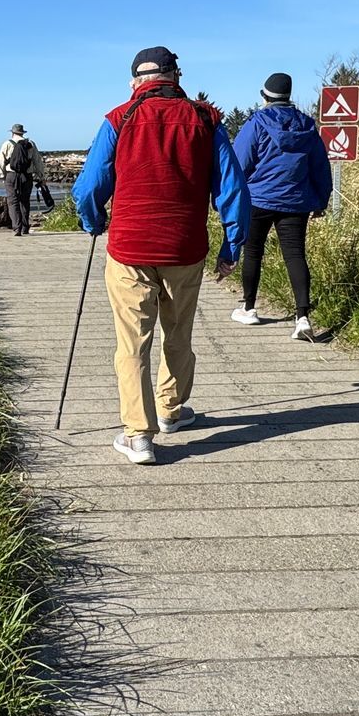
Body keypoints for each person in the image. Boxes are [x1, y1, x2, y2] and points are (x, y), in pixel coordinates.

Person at [73, 47, 250, 466]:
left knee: (132, 343)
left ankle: (138, 435)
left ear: (136, 81)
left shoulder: (119, 118)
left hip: (129, 249)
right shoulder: (206, 120)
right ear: (176, 77)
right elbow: (232, 189)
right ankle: (170, 410)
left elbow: (90, 185)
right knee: (178, 333)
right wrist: (232, 245)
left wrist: (92, 221)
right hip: (184, 249)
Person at [230, 72, 333, 341]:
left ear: (264, 96)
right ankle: (302, 318)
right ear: (289, 96)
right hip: (296, 201)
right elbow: (320, 167)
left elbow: (240, 163)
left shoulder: (256, 123)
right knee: (295, 255)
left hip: (258, 199)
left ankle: (249, 309)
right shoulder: (307, 126)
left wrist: (232, 197)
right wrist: (321, 200)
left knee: (253, 252)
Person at [0, 124, 49, 235]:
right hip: (26, 175)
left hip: (12, 175)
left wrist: (2, 175)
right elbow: (37, 161)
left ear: (12, 133)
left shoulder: (7, 144)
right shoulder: (30, 144)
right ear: (23, 133)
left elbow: (1, 161)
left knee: (13, 201)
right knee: (25, 201)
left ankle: (17, 227)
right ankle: (25, 228)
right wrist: (41, 176)